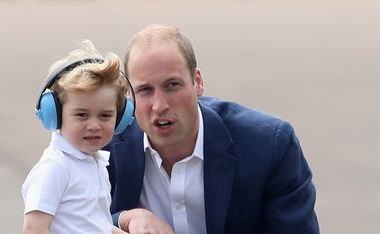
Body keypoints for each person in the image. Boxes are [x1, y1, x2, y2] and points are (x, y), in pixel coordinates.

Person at [105, 24, 320, 234]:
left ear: (197, 82)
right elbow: (74, 218)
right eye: (145, 90)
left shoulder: (270, 145)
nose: (159, 105)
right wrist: (125, 218)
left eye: (172, 85)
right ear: (128, 95)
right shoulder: (102, 145)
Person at [22, 40, 132, 234]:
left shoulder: (96, 164)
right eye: (81, 114)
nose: (94, 125)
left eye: (105, 115)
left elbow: (99, 226)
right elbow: (34, 228)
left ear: (120, 117)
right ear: (54, 115)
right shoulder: (55, 167)